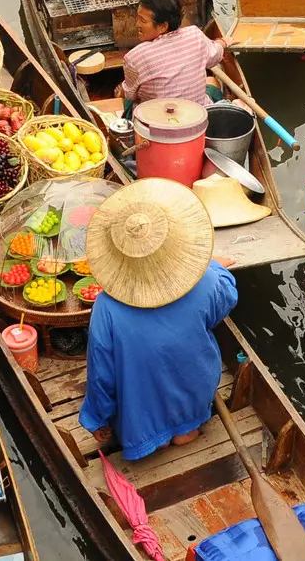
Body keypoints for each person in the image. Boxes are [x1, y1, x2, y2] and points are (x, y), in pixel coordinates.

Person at [79, 179, 237, 455]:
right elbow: (226, 298)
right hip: (194, 386)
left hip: (141, 408)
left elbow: (101, 373)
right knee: (186, 421)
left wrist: (97, 418)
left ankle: (155, 437)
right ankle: (185, 430)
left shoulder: (106, 306)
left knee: (143, 413)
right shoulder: (206, 280)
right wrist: (215, 267)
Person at [122, 0, 224, 110]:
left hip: (157, 123)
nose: (137, 24)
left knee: (127, 100)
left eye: (143, 21)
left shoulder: (134, 57)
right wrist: (222, 43)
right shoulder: (195, 34)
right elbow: (215, 57)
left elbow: (130, 95)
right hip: (197, 116)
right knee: (212, 81)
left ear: (163, 27)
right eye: (138, 18)